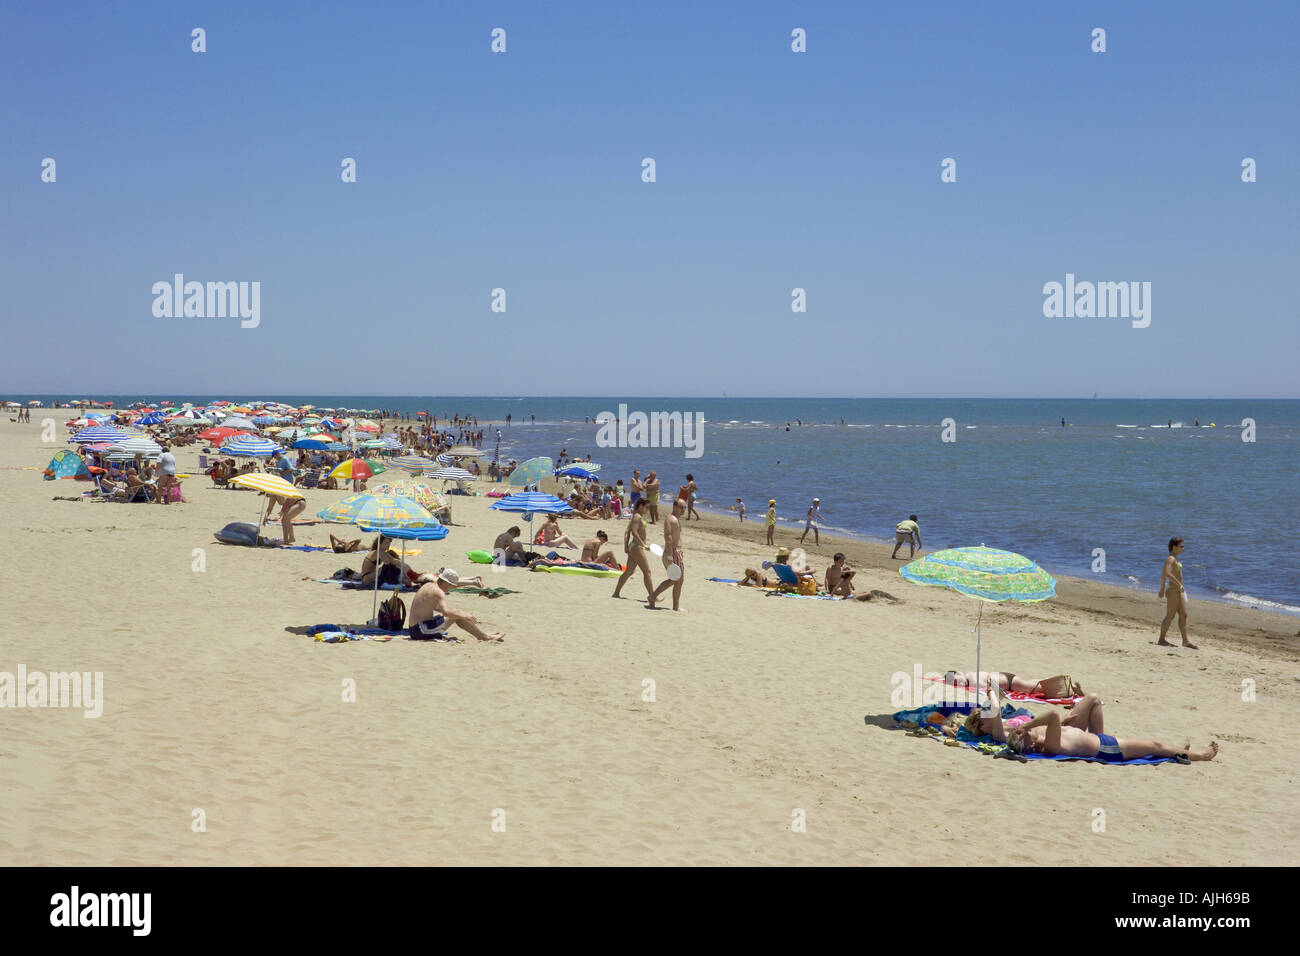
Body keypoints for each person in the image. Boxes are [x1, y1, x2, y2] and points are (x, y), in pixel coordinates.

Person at [1002, 688, 1218, 762]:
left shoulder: (1045, 739)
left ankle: (1178, 752)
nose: (1027, 732)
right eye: (1025, 735)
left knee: (1093, 699)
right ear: (1030, 745)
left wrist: (1066, 726)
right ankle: (1201, 755)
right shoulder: (1048, 746)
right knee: (1155, 745)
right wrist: (1028, 726)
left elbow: (1055, 721)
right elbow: (1052, 714)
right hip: (1108, 748)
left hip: (1098, 741)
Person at [407, 570, 505, 642]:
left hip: (416, 628)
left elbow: (455, 584)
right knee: (457, 615)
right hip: (421, 632)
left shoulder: (429, 585)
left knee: (457, 613)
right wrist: (466, 615)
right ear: (446, 582)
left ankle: (484, 635)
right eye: (450, 586)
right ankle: (484, 637)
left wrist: (473, 582)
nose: (451, 588)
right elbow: (446, 612)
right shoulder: (438, 592)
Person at [612, 499, 656, 606]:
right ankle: (652, 597)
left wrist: (626, 546)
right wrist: (643, 545)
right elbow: (634, 532)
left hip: (634, 547)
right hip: (637, 547)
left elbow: (627, 532)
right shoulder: (637, 517)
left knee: (629, 572)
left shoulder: (635, 516)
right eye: (646, 507)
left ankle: (616, 593)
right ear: (641, 506)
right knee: (647, 572)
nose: (647, 510)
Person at [1158, 537, 1196, 648]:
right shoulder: (1170, 559)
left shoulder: (1175, 559)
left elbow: (1166, 574)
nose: (1183, 548)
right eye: (1181, 546)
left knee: (1184, 615)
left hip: (1179, 591)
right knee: (1170, 615)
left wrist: (1180, 586)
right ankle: (1161, 639)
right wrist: (1176, 584)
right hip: (1173, 590)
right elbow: (1166, 573)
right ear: (1174, 547)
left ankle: (1186, 641)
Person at [650, 498, 687, 611]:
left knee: (675, 580)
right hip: (672, 552)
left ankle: (653, 597)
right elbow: (668, 537)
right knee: (676, 580)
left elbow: (676, 537)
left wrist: (680, 550)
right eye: (681, 507)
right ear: (674, 507)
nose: (683, 510)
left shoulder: (674, 519)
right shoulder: (671, 519)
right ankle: (674, 606)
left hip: (676, 551)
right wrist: (671, 554)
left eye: (684, 507)